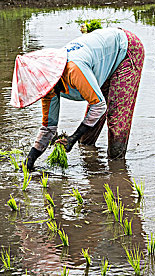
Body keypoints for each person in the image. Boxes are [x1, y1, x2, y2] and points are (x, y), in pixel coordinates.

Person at [10, 27, 144, 170]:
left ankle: (117, 168)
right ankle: (90, 156)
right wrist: (29, 162)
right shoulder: (49, 87)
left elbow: (98, 105)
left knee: (116, 116)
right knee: (85, 140)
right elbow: (49, 128)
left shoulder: (74, 69)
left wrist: (72, 138)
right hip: (102, 59)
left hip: (126, 49)